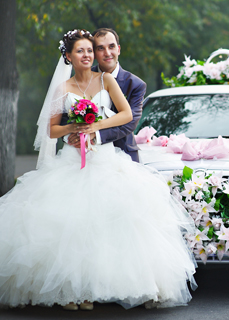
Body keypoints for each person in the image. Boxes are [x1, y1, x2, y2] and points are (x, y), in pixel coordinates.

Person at [0, 29, 196, 311]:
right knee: (70, 224)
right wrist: (73, 127)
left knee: (105, 224)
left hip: (104, 158)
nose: (88, 55)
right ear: (68, 57)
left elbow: (126, 115)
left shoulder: (105, 80)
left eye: (89, 51)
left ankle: (95, 289)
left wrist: (94, 126)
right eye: (80, 51)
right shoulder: (62, 89)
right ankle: (70, 291)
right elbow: (52, 129)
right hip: (71, 160)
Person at [64, 28, 146, 162]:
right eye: (101, 48)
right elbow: (66, 112)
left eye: (111, 47)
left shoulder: (136, 84)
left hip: (124, 155)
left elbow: (129, 123)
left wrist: (94, 134)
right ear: (94, 53)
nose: (107, 53)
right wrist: (70, 135)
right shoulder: (82, 77)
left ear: (118, 49)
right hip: (85, 155)